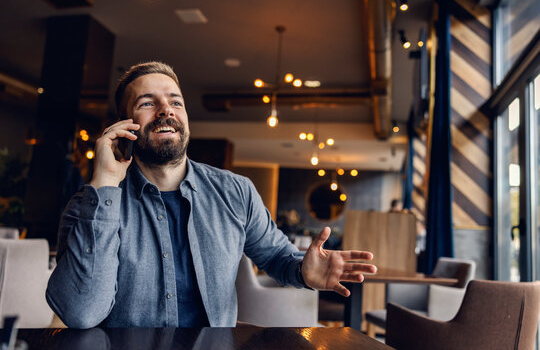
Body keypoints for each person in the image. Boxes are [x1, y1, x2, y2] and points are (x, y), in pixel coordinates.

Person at [46, 62, 377, 328]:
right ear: (124, 126)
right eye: (147, 103)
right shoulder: (89, 206)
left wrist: (303, 271)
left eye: (175, 101)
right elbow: (80, 313)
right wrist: (104, 184)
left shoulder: (236, 191)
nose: (166, 110)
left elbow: (278, 257)